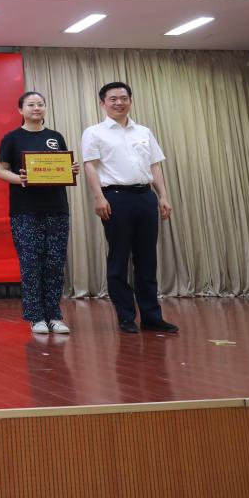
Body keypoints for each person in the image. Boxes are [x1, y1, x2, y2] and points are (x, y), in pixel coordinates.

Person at [81, 82, 178, 335]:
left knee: (147, 259)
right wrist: (98, 198)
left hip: (145, 197)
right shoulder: (94, 132)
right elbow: (90, 166)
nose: (119, 103)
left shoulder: (143, 131)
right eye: (112, 99)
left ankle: (151, 316)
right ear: (103, 103)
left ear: (131, 101)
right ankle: (126, 316)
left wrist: (163, 196)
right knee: (119, 258)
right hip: (115, 198)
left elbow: (154, 165)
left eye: (123, 98)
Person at [0, 91, 79, 335]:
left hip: (57, 208)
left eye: (40, 104)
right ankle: (36, 317)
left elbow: (63, 167)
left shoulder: (55, 137)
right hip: (25, 210)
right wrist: (20, 179)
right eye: (31, 104)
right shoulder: (12, 138)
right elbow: (1, 170)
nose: (36, 108)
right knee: (31, 263)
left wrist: (71, 169)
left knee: (55, 263)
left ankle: (54, 315)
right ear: (20, 110)